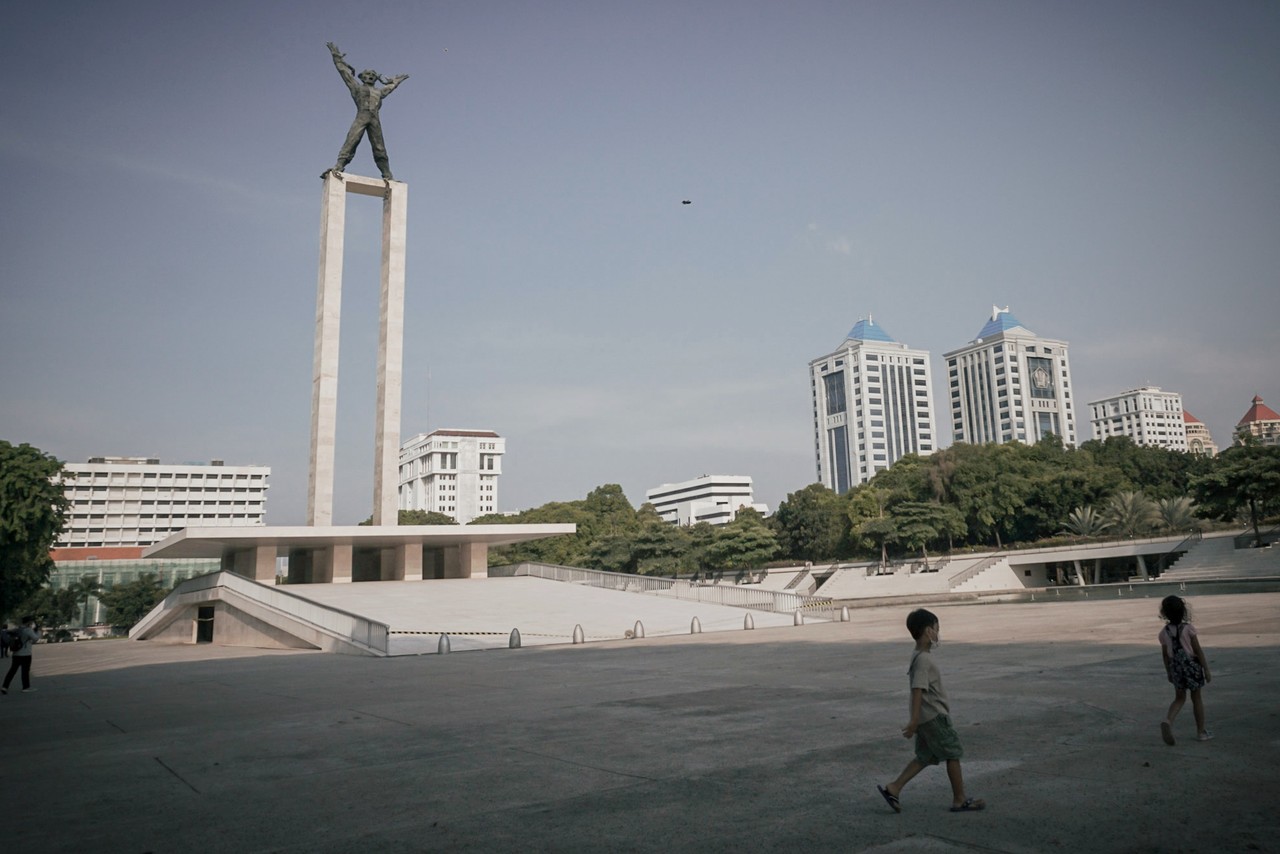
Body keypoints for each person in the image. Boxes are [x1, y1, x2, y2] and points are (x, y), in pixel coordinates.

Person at [877, 608, 985, 813]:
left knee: (925, 756)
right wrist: (914, 721)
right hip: (934, 717)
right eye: (937, 629)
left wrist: (916, 720)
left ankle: (894, 787)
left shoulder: (918, 655)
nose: (938, 633)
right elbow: (918, 690)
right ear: (928, 631)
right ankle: (959, 799)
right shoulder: (924, 660)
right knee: (953, 754)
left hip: (927, 717)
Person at [324, 42, 409, 181]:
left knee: (379, 147)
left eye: (373, 75)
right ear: (362, 77)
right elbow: (344, 73)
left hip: (375, 119)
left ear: (376, 78)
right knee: (351, 141)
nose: (370, 76)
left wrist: (397, 81)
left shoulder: (379, 91)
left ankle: (387, 174)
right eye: (367, 74)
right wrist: (337, 58)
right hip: (362, 116)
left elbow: (391, 87)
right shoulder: (356, 88)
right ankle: (339, 166)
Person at [1158, 595, 1211, 745]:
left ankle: (1168, 720)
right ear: (1183, 611)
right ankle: (1201, 732)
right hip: (1192, 667)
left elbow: (1165, 656)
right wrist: (1206, 669)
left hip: (1176, 669)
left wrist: (1169, 672)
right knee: (1197, 698)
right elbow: (1198, 650)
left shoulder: (1163, 633)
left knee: (1179, 698)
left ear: (1165, 613)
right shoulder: (1188, 629)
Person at [1, 616, 41, 694]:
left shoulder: (17, 629)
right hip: (26, 654)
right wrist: (37, 631)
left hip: (16, 653)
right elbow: (35, 638)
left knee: (12, 670)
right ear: (29, 622)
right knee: (25, 671)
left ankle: (5, 686)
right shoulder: (28, 630)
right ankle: (26, 687)